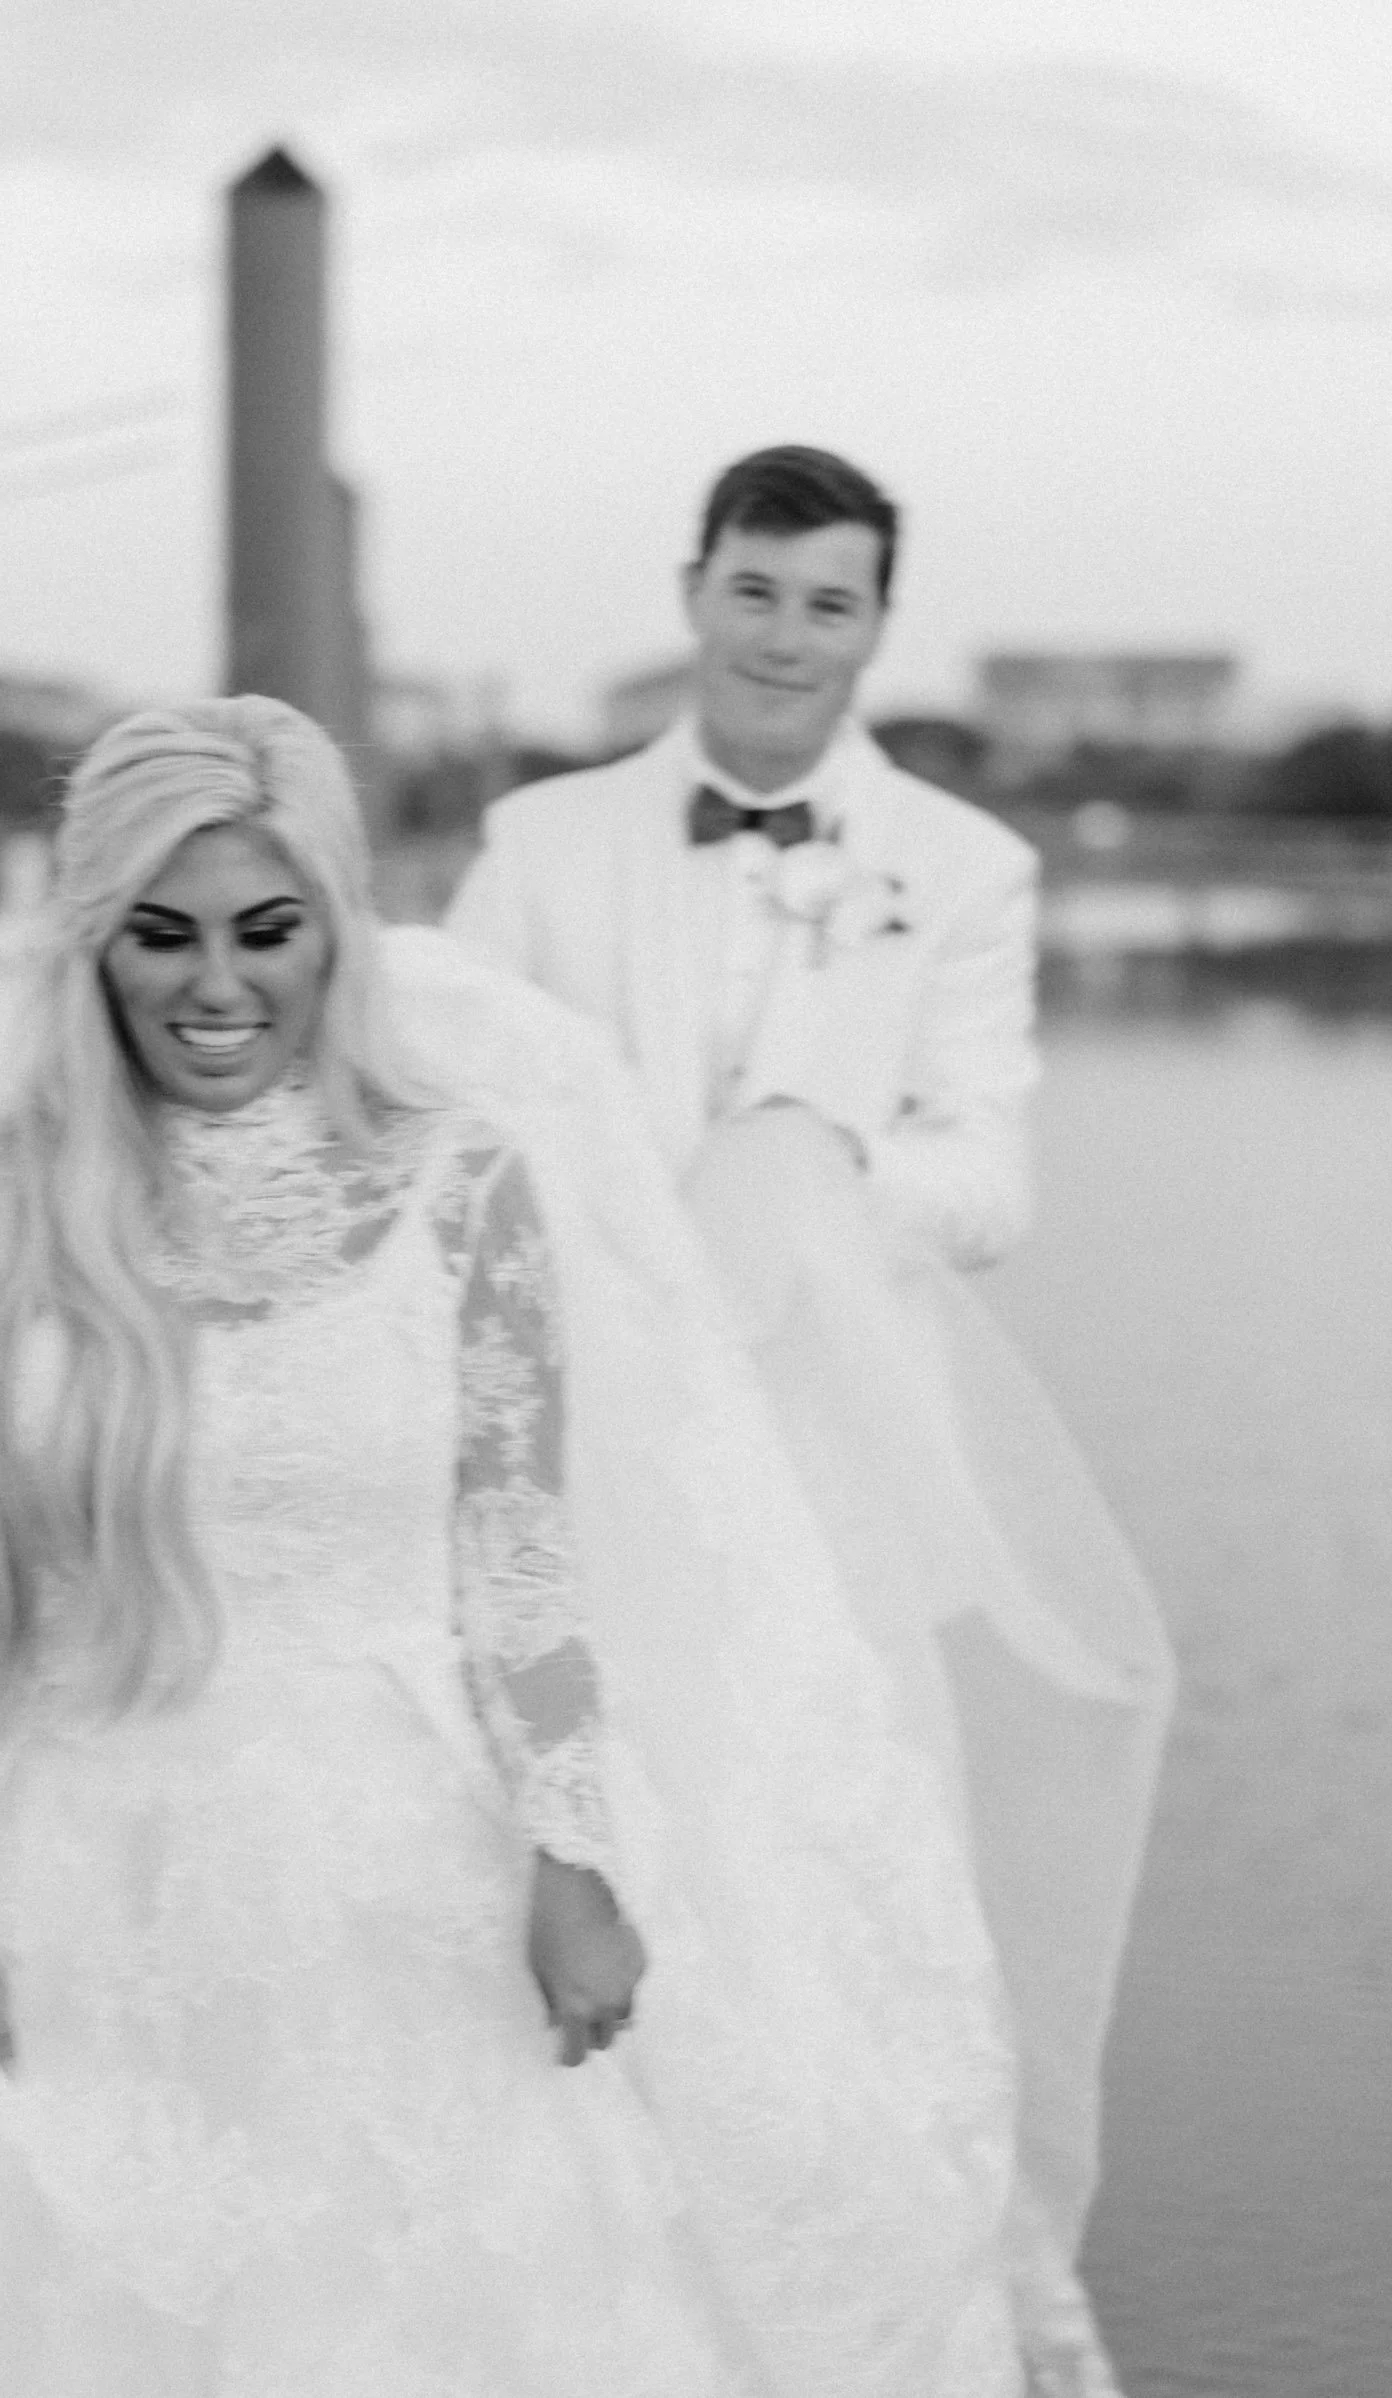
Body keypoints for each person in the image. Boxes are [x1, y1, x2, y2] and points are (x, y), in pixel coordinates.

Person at [0, 698, 1027, 2397]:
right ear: (92, 946)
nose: (218, 987)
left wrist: (573, 1859)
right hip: (85, 1883)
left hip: (413, 1875)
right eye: (163, 935)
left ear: (338, 932)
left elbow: (517, 1561)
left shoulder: (463, 1180)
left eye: (268, 931)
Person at [447, 446, 1178, 2392]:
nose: (785, 637)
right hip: (594, 1441)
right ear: (694, 589)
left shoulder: (967, 866)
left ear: (876, 622)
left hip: (848, 1454)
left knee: (838, 1855)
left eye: (828, 601)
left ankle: (909, 2273)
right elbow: (454, 1125)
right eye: (755, 590)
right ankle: (615, 2265)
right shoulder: (538, 842)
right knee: (616, 1818)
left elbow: (991, 1178)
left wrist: (802, 1171)